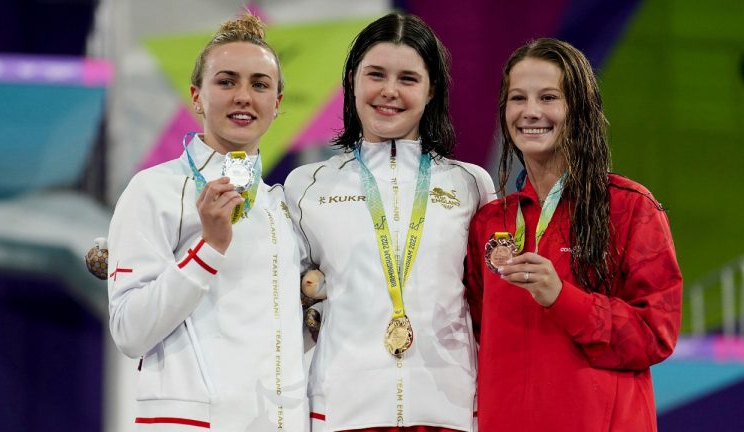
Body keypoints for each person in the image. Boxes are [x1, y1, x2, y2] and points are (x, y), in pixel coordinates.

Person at [285, 12, 495, 432]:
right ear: (351, 79)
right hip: (343, 411)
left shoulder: (471, 184)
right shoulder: (306, 186)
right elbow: (288, 302)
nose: (389, 92)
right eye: (375, 74)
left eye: (408, 79)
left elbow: (485, 302)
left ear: (432, 88)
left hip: (449, 409)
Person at [464, 38, 682, 432]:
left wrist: (564, 299)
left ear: (578, 110)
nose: (531, 112)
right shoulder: (490, 223)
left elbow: (655, 334)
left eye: (548, 97)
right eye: (518, 98)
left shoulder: (628, 208)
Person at [106, 13, 308, 431]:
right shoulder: (153, 190)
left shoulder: (282, 207)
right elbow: (130, 331)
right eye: (226, 81)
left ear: (277, 103)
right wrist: (209, 248)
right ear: (196, 96)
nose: (243, 96)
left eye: (259, 84)